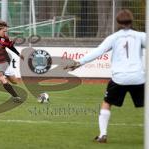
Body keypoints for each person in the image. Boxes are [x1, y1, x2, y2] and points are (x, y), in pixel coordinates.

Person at [64, 9, 146, 143]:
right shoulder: (141, 36)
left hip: (119, 78)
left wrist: (79, 62)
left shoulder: (114, 37)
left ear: (118, 22)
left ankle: (103, 135)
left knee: (107, 103)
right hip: (138, 77)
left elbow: (98, 51)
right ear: (132, 21)